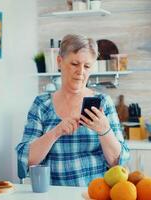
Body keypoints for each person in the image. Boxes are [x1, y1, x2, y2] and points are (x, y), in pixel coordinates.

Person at [16, 34, 130, 186]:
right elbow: (26, 159)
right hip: (54, 194)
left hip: (94, 194)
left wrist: (105, 130)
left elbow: (118, 163)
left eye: (87, 66)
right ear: (59, 62)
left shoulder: (103, 103)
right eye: (75, 64)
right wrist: (56, 132)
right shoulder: (42, 105)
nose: (81, 71)